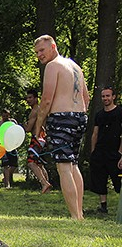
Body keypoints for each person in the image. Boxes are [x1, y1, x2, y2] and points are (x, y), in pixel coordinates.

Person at [33, 34, 91, 220]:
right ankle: (79, 213)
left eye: (42, 50)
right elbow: (86, 98)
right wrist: (78, 115)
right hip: (80, 117)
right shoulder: (75, 66)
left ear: (53, 47)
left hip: (61, 119)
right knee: (73, 165)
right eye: (36, 52)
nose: (39, 55)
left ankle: (75, 216)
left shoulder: (53, 66)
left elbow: (46, 100)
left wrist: (38, 126)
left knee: (64, 167)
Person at [89, 86, 122, 213]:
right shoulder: (99, 115)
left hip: (115, 152)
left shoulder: (120, 112)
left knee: (118, 180)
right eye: (103, 96)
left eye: (108, 96)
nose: (105, 98)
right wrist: (93, 152)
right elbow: (95, 134)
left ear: (113, 97)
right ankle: (103, 207)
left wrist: (120, 153)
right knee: (100, 179)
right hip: (100, 152)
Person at [23, 89, 52, 193]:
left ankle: (44, 183)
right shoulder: (41, 109)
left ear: (36, 99)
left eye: (30, 97)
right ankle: (47, 189)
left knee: (31, 162)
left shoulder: (35, 111)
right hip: (43, 138)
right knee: (39, 164)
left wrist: (21, 125)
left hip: (37, 138)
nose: (28, 100)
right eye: (27, 98)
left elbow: (28, 129)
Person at [0, 108, 19, 188]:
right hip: (2, 146)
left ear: (9, 115)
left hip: (12, 145)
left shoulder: (13, 122)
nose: (5, 117)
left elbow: (17, 132)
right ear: (1, 116)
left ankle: (6, 178)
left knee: (14, 164)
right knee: (5, 165)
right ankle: (7, 184)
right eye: (3, 116)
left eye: (6, 116)